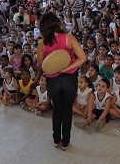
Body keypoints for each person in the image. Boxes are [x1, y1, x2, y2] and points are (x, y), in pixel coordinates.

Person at [36, 11, 86, 151]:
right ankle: (65, 142)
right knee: (67, 111)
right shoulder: (68, 37)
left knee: (57, 109)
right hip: (69, 79)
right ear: (56, 23)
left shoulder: (42, 43)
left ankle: (56, 140)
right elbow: (82, 58)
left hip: (53, 80)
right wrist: (68, 67)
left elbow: (41, 63)